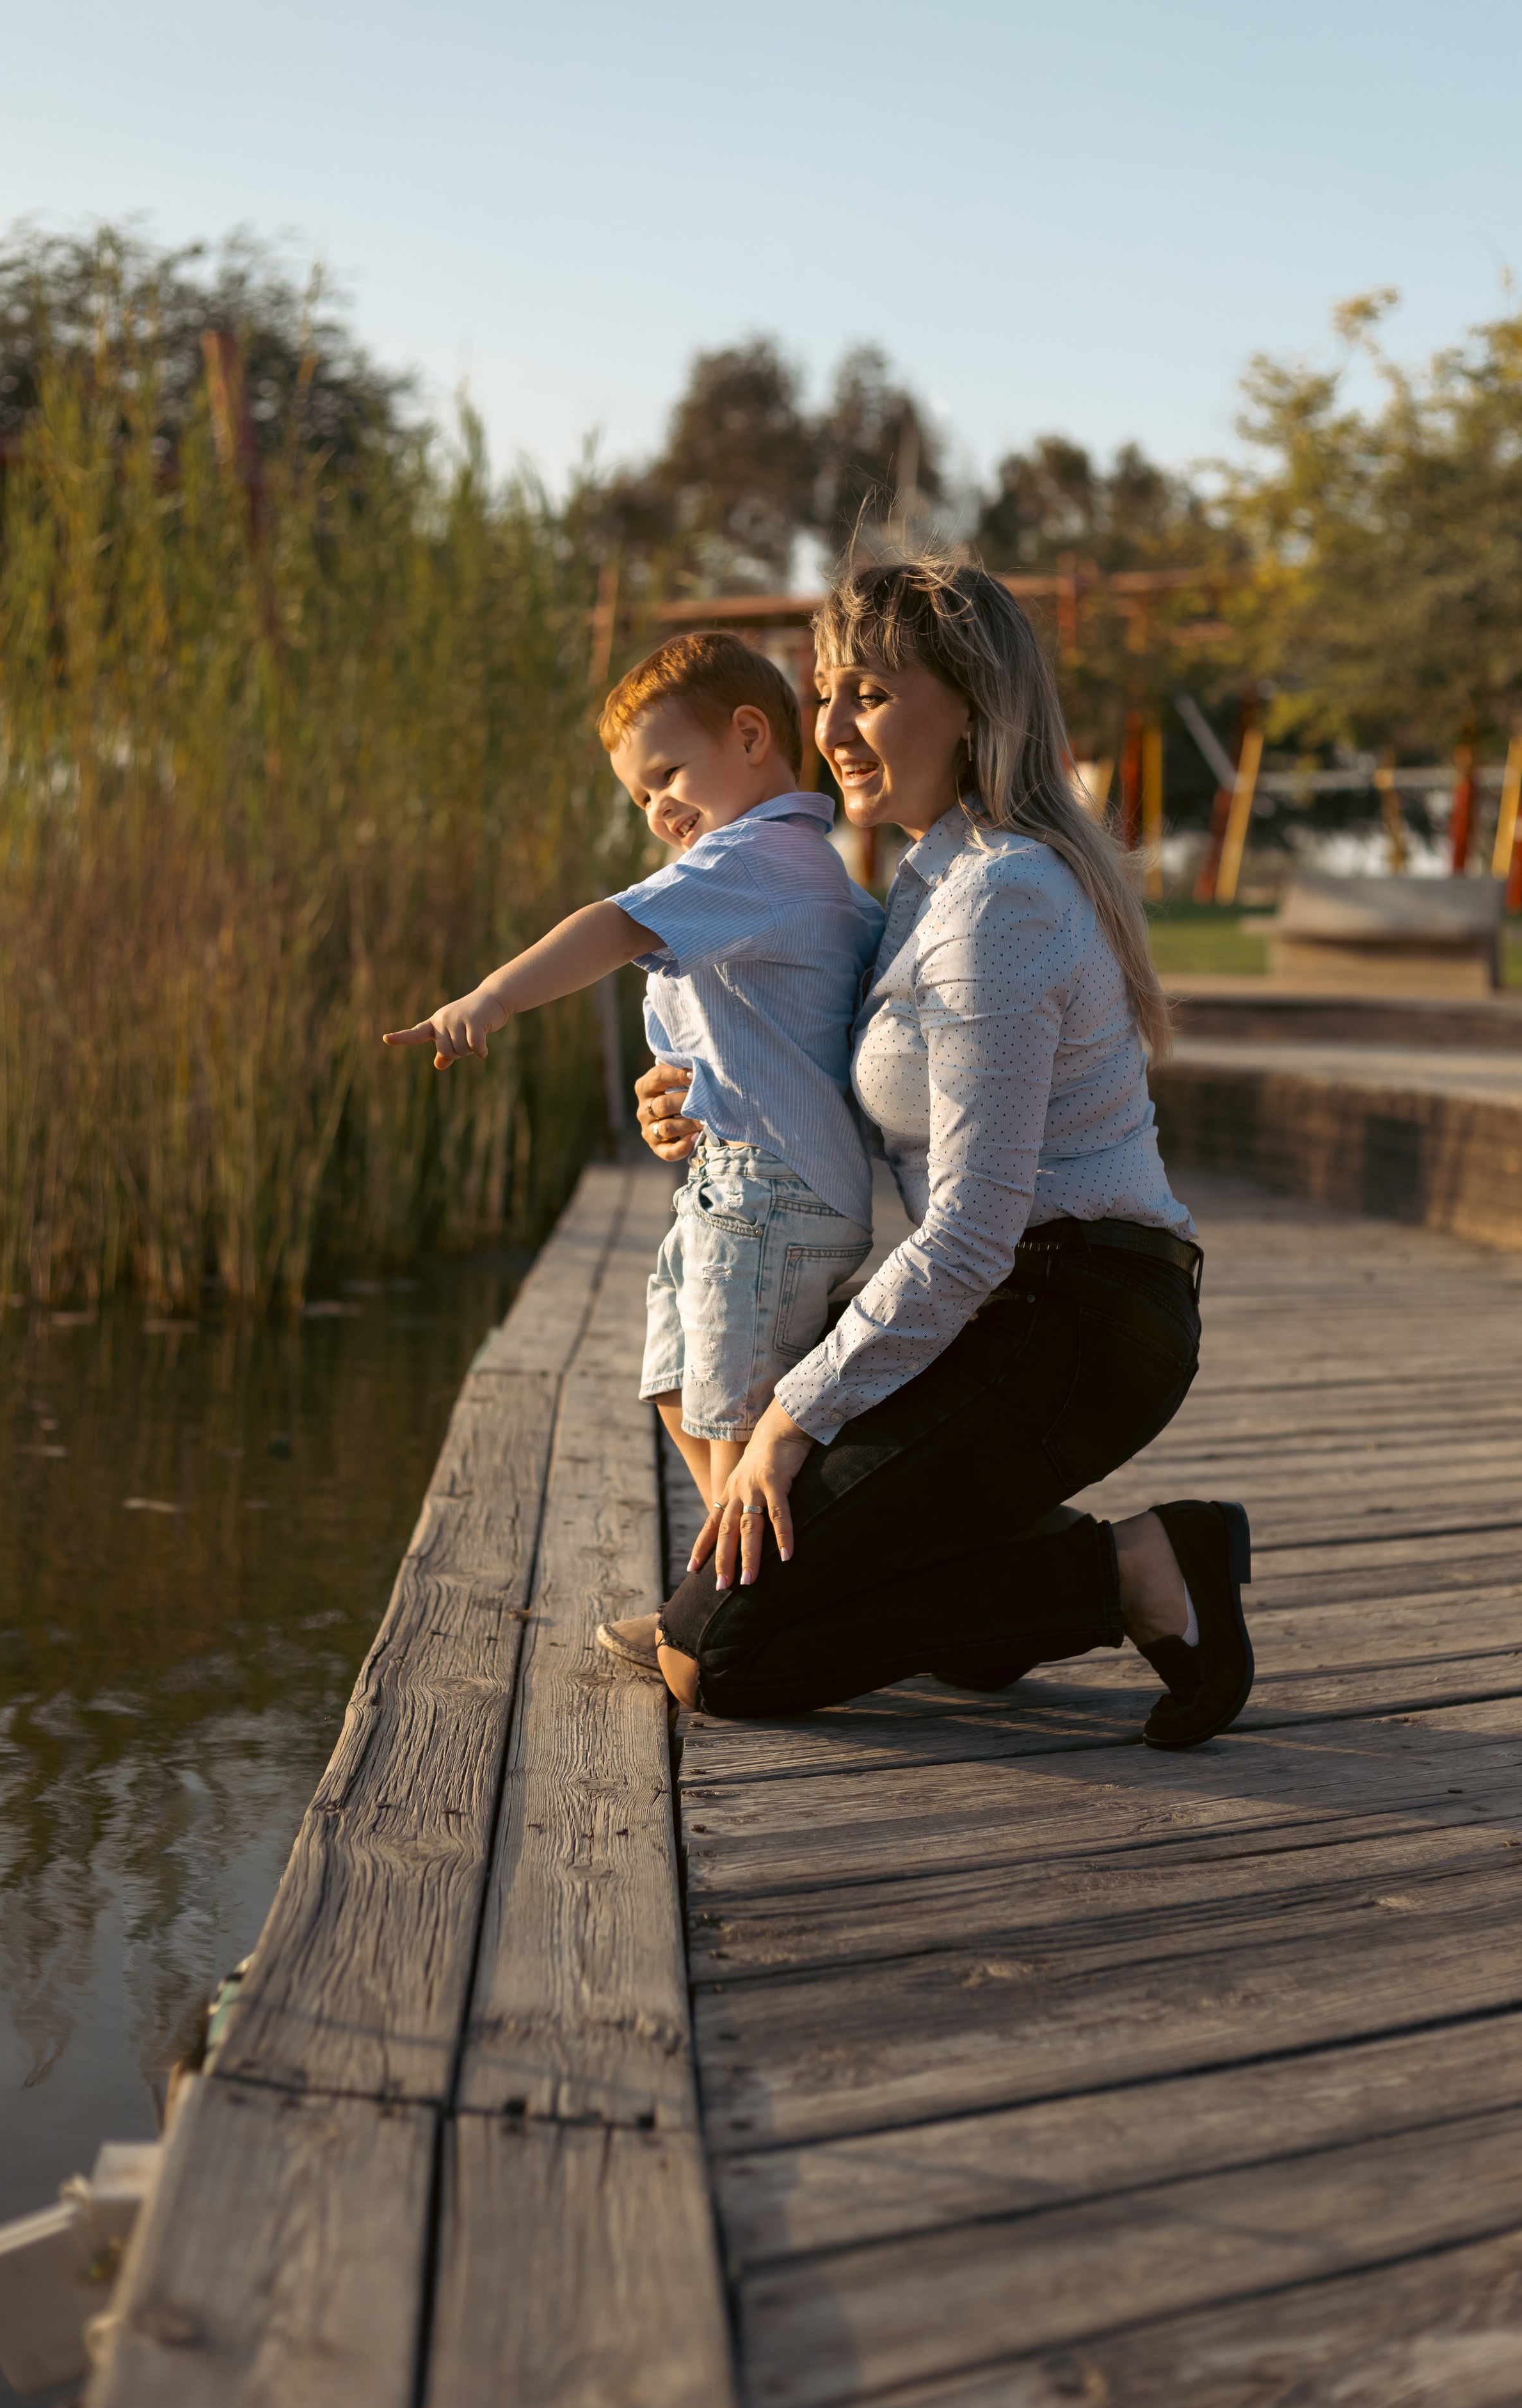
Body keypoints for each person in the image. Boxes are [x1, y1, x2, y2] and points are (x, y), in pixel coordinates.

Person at [637, 559, 1254, 1751]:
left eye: (866, 693)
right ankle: (1003, 1597)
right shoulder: (923, 883)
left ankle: (1139, 1568)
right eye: (824, 695)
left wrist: (798, 1416)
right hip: (1004, 1307)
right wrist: (698, 1098)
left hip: (1071, 1319)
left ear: (973, 704)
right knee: (958, 1653)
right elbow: (843, 1100)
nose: (830, 730)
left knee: (716, 1656)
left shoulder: (999, 902)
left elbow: (973, 1230)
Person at [385, 630, 882, 1666]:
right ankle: (744, 1586)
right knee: (674, 1377)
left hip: (769, 1191)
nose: (655, 808)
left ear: (751, 736)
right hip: (733, 1186)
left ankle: (746, 1605)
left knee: (734, 1410)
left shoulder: (758, 857)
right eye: (635, 796)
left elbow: (611, 925)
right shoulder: (781, 868)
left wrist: (491, 998)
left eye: (667, 773)